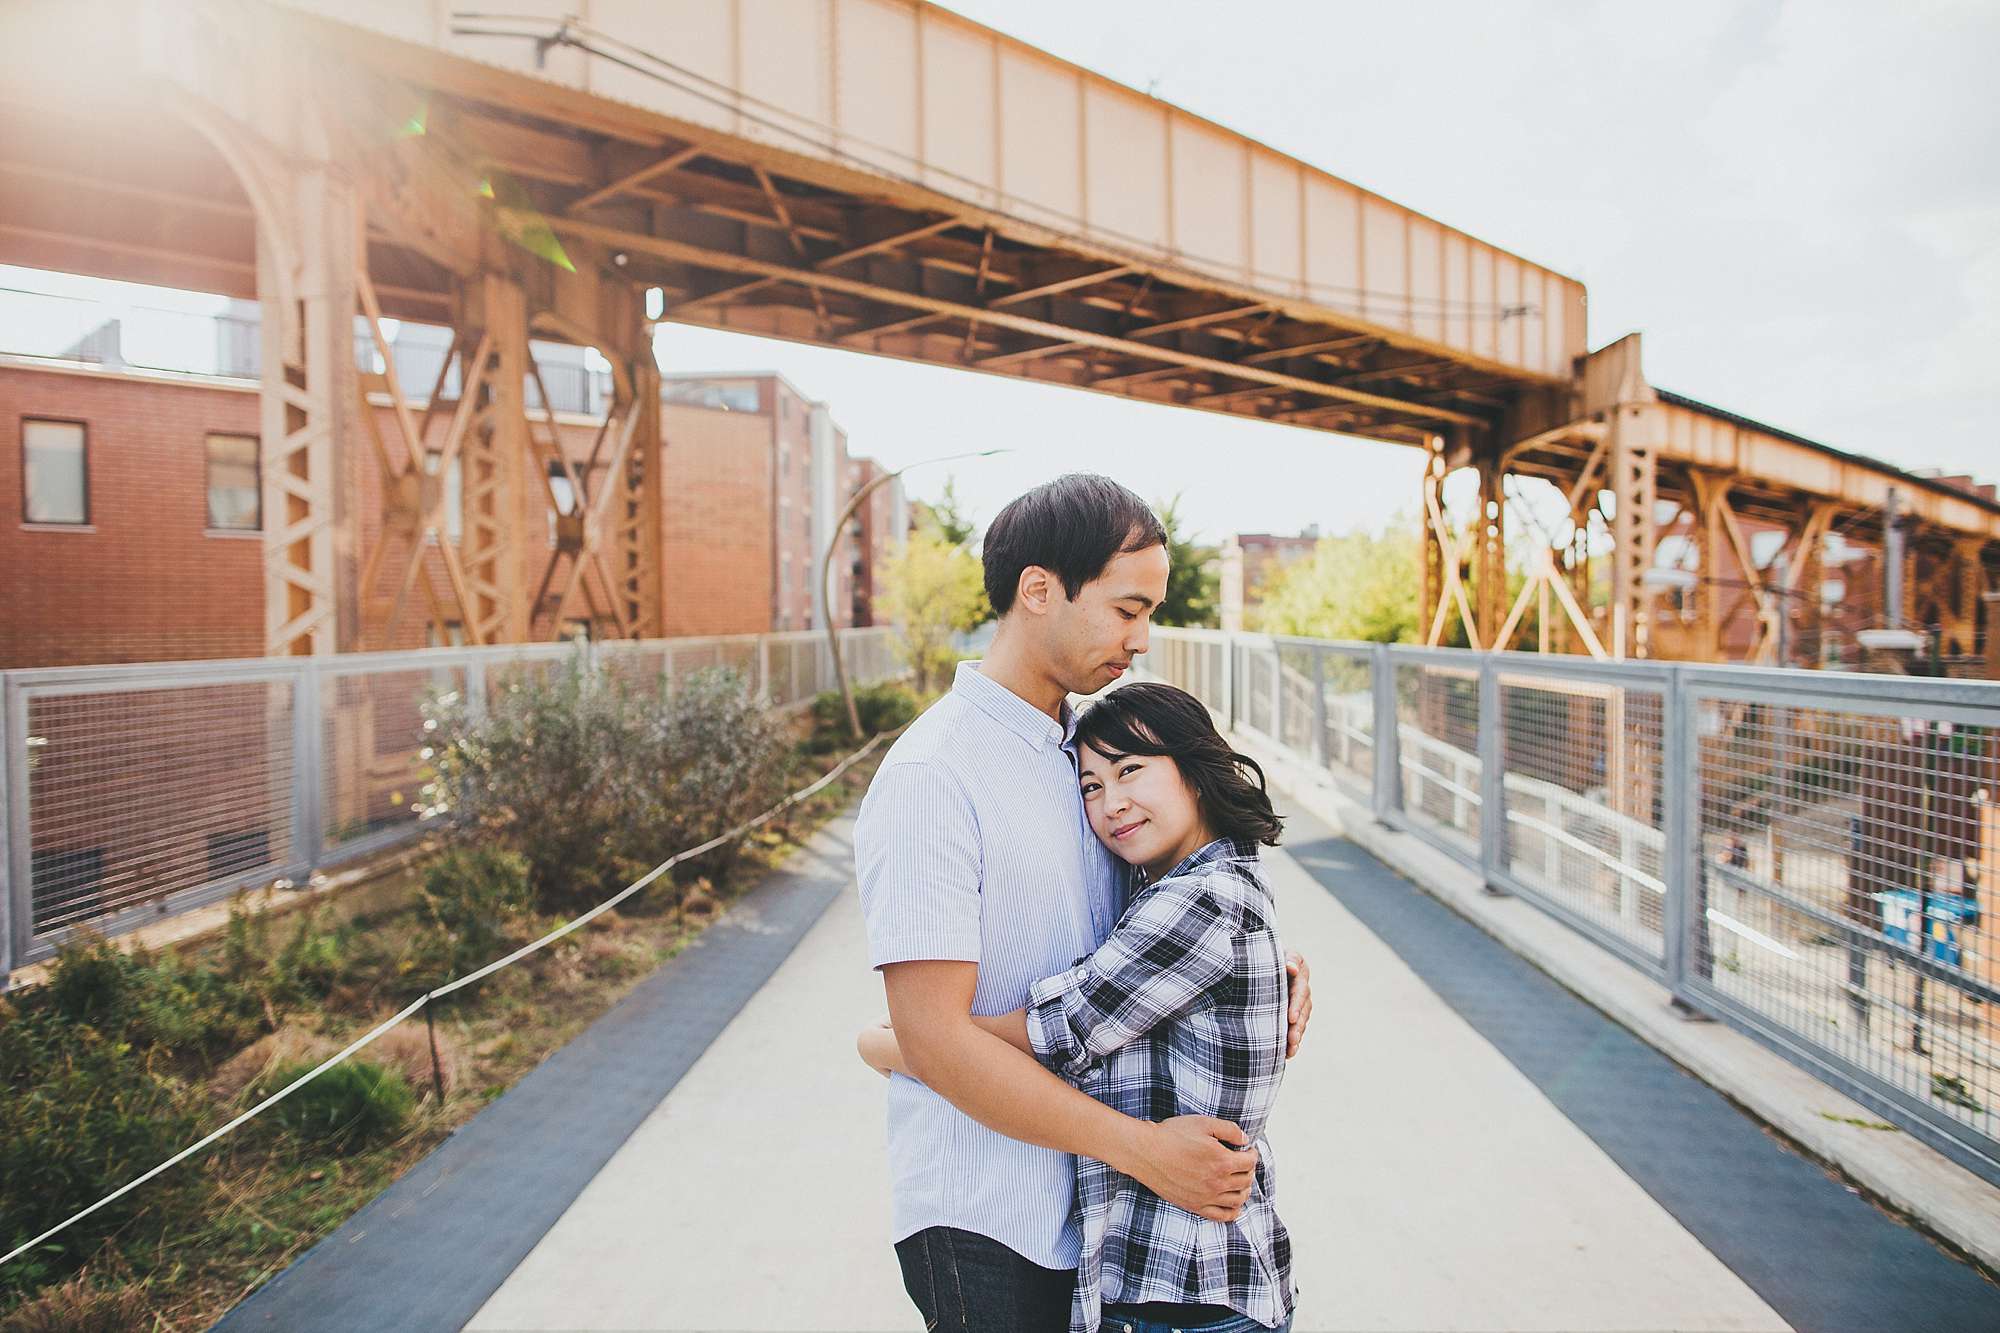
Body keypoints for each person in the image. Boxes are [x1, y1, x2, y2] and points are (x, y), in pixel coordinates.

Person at [852, 474, 1312, 1331]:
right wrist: (1145, 1151)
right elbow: (936, 1036)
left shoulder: (1084, 756)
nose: (1141, 639)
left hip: (1104, 1226)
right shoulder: (933, 775)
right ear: (1039, 590)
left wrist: (1259, 964)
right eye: (1126, 608)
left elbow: (1146, 933)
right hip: (988, 1213)